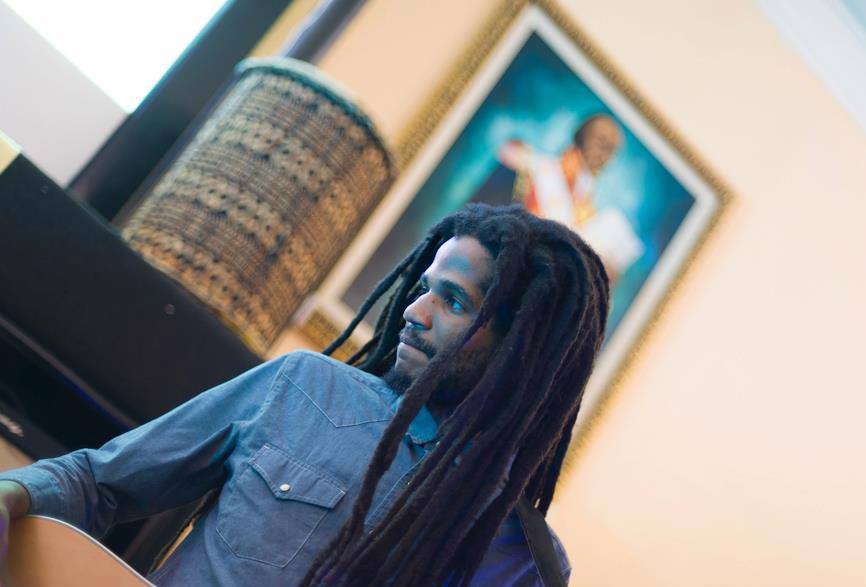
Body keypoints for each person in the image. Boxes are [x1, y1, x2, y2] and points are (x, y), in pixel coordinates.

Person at [0, 204, 610, 586]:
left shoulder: (520, 561)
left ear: (516, 349)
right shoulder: (303, 387)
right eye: (424, 287)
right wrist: (9, 497)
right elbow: (99, 482)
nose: (414, 312)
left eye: (453, 302)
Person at [475, 114, 643, 283]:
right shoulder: (534, 167)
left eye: (611, 150)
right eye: (601, 142)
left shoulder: (590, 211)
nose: (604, 155)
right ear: (581, 136)